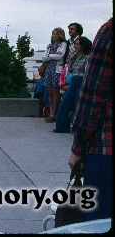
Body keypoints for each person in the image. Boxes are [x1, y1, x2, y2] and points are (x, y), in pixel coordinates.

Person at [68, 18, 112, 221]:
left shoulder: (109, 33)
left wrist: (78, 149)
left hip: (106, 145)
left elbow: (92, 97)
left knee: (99, 220)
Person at [54, 36, 92, 133]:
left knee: (79, 105)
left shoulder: (88, 57)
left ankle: (79, 128)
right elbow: (70, 70)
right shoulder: (74, 56)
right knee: (64, 104)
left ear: (83, 45)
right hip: (74, 81)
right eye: (75, 44)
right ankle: (62, 127)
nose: (75, 46)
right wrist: (71, 62)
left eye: (78, 44)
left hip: (81, 81)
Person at [41, 27, 67, 123]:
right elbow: (44, 58)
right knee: (50, 92)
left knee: (56, 93)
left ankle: (54, 114)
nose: (55, 36)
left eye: (57, 34)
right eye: (53, 34)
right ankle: (51, 112)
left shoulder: (63, 44)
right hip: (49, 69)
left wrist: (49, 56)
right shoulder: (50, 45)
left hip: (57, 70)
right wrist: (52, 56)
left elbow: (60, 56)